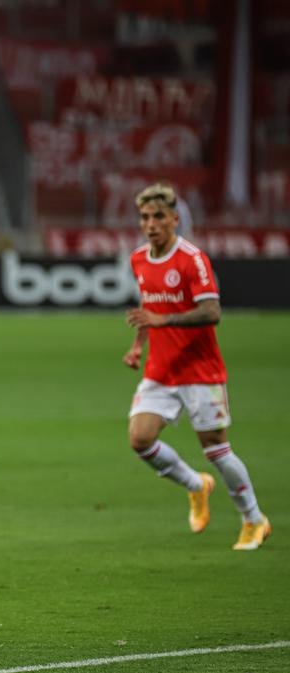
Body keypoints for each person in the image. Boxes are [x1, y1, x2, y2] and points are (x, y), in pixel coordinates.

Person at [124, 183, 270, 551]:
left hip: (200, 370)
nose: (151, 224)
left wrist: (163, 321)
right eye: (145, 217)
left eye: (159, 216)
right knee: (140, 439)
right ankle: (195, 485)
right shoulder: (139, 259)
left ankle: (254, 519)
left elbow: (211, 312)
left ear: (175, 219)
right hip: (160, 369)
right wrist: (138, 345)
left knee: (216, 449)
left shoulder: (192, 259)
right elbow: (149, 306)